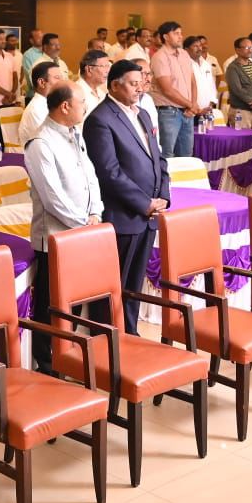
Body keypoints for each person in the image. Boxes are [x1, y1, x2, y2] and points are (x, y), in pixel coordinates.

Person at [84, 60, 169, 335]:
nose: (140, 88)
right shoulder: (100, 119)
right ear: (115, 85)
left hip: (149, 216)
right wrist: (144, 203)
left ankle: (129, 334)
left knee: (134, 284)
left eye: (141, 82)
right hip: (123, 216)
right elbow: (109, 173)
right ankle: (106, 339)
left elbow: (159, 158)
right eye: (133, 83)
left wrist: (163, 196)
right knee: (112, 285)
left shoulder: (143, 114)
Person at [25, 83, 103, 374]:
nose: (85, 106)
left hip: (82, 232)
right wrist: (84, 223)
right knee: (50, 304)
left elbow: (90, 176)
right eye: (81, 102)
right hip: (55, 238)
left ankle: (69, 353)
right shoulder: (40, 143)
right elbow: (51, 197)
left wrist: (95, 210)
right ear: (65, 107)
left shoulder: (74, 135)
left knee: (74, 299)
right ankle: (48, 364)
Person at [149, 22, 197, 159]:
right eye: (176, 33)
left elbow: (192, 81)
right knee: (167, 154)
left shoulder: (184, 54)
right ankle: (166, 181)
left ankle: (185, 181)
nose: (180, 36)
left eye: (181, 33)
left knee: (187, 154)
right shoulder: (160, 57)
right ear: (165, 36)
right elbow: (167, 89)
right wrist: (191, 105)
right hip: (169, 112)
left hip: (187, 112)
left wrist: (192, 104)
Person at [16, 60, 64, 146]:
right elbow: (50, 139)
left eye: (62, 78)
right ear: (42, 82)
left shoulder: (51, 103)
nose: (62, 82)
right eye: (57, 77)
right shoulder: (36, 109)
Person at [225, 36, 252, 131]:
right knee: (241, 142)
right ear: (238, 50)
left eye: (251, 47)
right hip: (241, 111)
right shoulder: (232, 68)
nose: (250, 50)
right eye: (247, 48)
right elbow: (237, 90)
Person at [186, 35, 218, 120]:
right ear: (186, 49)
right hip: (191, 111)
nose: (200, 48)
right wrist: (195, 108)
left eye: (200, 46)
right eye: (195, 46)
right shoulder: (184, 64)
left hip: (207, 110)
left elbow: (212, 85)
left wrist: (211, 103)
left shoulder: (206, 64)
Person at [74, 48, 110, 117]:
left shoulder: (102, 93)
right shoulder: (76, 93)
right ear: (89, 69)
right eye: (103, 66)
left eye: (108, 66)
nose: (107, 71)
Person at [20, 28, 46, 95]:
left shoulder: (47, 52)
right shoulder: (28, 54)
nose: (42, 39)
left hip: (48, 95)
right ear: (31, 41)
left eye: (43, 37)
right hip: (34, 95)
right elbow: (30, 76)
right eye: (39, 37)